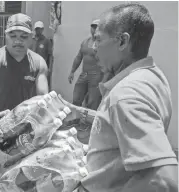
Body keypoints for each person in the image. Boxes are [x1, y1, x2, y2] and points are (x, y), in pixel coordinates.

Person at [58, 3, 178, 192]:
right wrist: (80, 113)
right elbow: (117, 123)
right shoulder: (150, 76)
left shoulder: (126, 94)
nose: (94, 47)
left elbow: (164, 181)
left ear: (122, 41)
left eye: (98, 39)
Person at [0, 13, 49, 144]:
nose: (18, 41)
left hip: (24, 130)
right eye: (13, 36)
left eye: (23, 36)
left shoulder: (39, 63)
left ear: (31, 38)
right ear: (6, 36)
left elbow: (43, 100)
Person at [68, 19, 103, 112]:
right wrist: (72, 72)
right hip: (84, 74)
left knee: (93, 102)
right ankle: (75, 119)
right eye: (93, 26)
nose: (94, 29)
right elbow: (78, 57)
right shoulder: (85, 42)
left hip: (96, 75)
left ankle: (89, 124)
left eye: (97, 27)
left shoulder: (102, 43)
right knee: (76, 98)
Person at [31, 21, 53, 89]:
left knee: (42, 86)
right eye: (37, 29)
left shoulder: (46, 41)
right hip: (32, 68)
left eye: (39, 29)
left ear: (42, 29)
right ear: (35, 29)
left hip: (42, 68)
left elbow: (50, 56)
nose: (38, 30)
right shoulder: (31, 40)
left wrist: (50, 68)